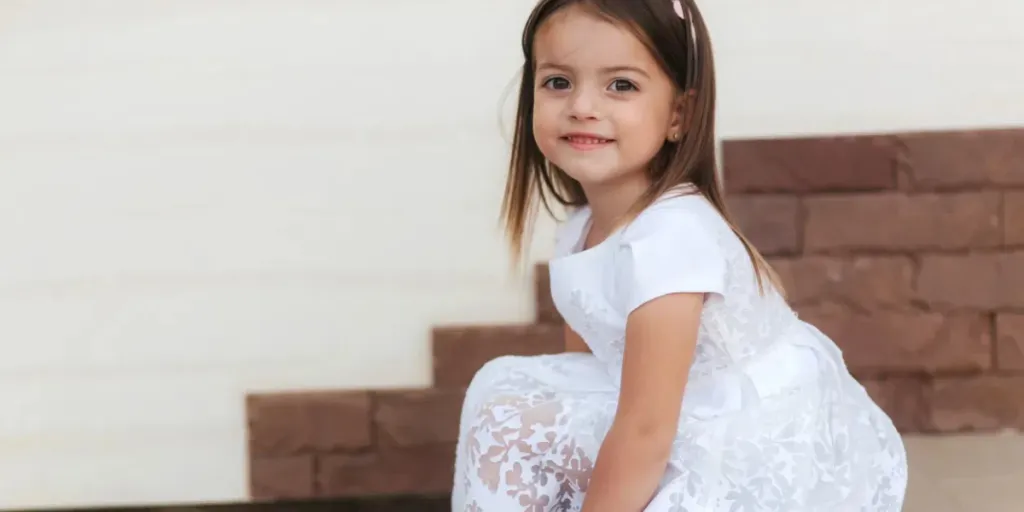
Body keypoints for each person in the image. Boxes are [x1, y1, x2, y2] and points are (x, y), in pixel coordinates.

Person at [451, 0, 908, 510]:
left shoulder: (670, 240)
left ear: (678, 114)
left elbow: (646, 431)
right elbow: (584, 370)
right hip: (668, 411)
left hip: (742, 434)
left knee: (515, 416)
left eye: (620, 85)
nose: (582, 105)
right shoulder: (582, 227)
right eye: (558, 82)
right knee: (505, 395)